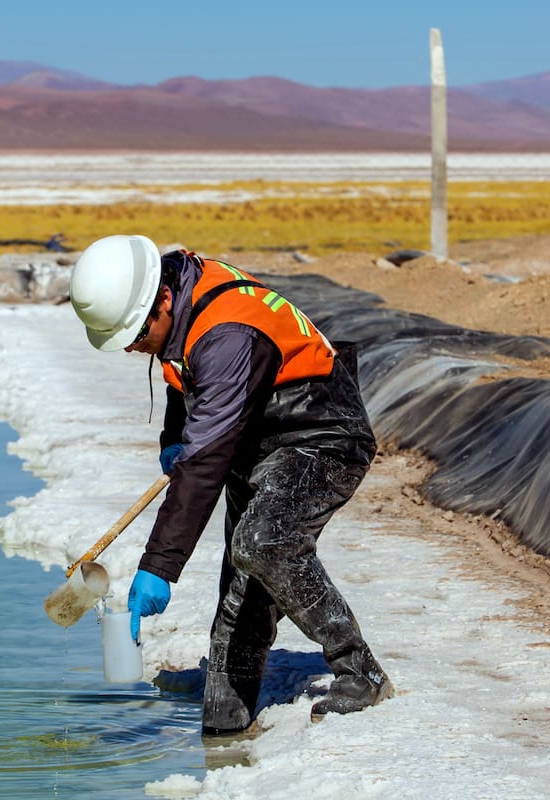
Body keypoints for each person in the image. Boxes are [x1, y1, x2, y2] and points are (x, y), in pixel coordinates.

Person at [68, 234, 392, 735]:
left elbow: (205, 460)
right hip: (256, 435)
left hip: (321, 435)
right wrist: (175, 437)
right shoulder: (180, 293)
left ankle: (360, 670)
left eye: (135, 334)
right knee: (240, 593)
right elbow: (185, 370)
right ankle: (228, 716)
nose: (133, 347)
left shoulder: (229, 333)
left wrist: (159, 567)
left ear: (163, 301)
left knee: (264, 542)